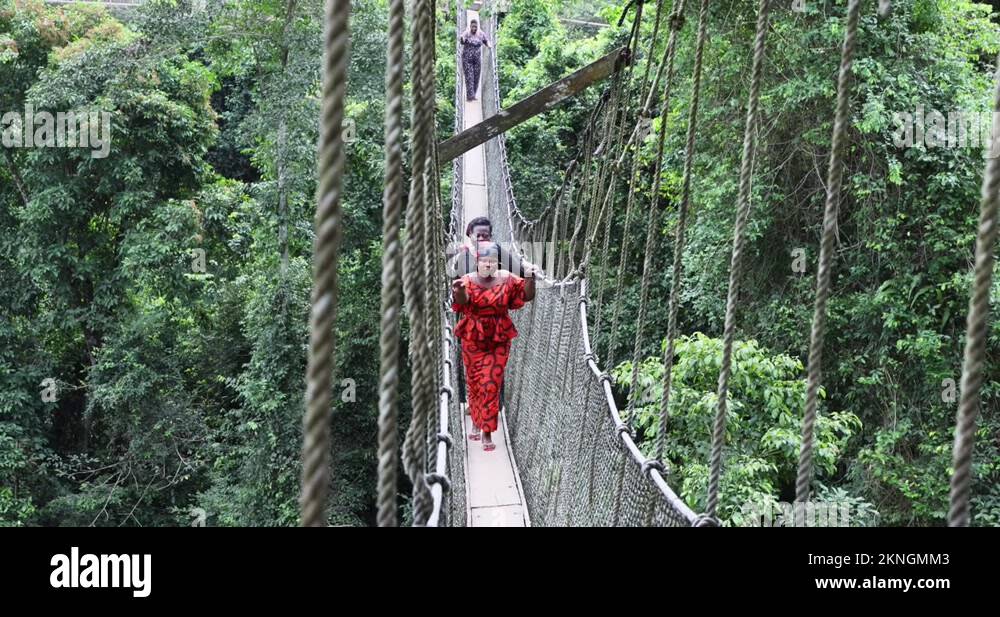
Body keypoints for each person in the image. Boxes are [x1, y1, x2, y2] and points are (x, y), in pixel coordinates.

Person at [451, 242, 539, 451]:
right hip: (473, 336)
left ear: (497, 263)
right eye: (484, 261)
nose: (488, 265)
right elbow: (462, 302)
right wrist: (459, 291)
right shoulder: (467, 281)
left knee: (491, 383)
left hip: (499, 337)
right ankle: (475, 419)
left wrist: (530, 277)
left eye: (492, 261)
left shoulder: (507, 279)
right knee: (474, 381)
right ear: (477, 262)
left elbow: (527, 295)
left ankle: (486, 431)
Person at [459, 19, 491, 102]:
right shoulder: (466, 33)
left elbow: (486, 40)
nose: (474, 28)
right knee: (469, 77)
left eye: (475, 27)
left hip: (477, 59)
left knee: (476, 77)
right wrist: (462, 39)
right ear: (470, 26)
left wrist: (489, 45)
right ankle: (470, 96)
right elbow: (462, 40)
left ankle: (473, 95)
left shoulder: (480, 33)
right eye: (473, 27)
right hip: (467, 59)